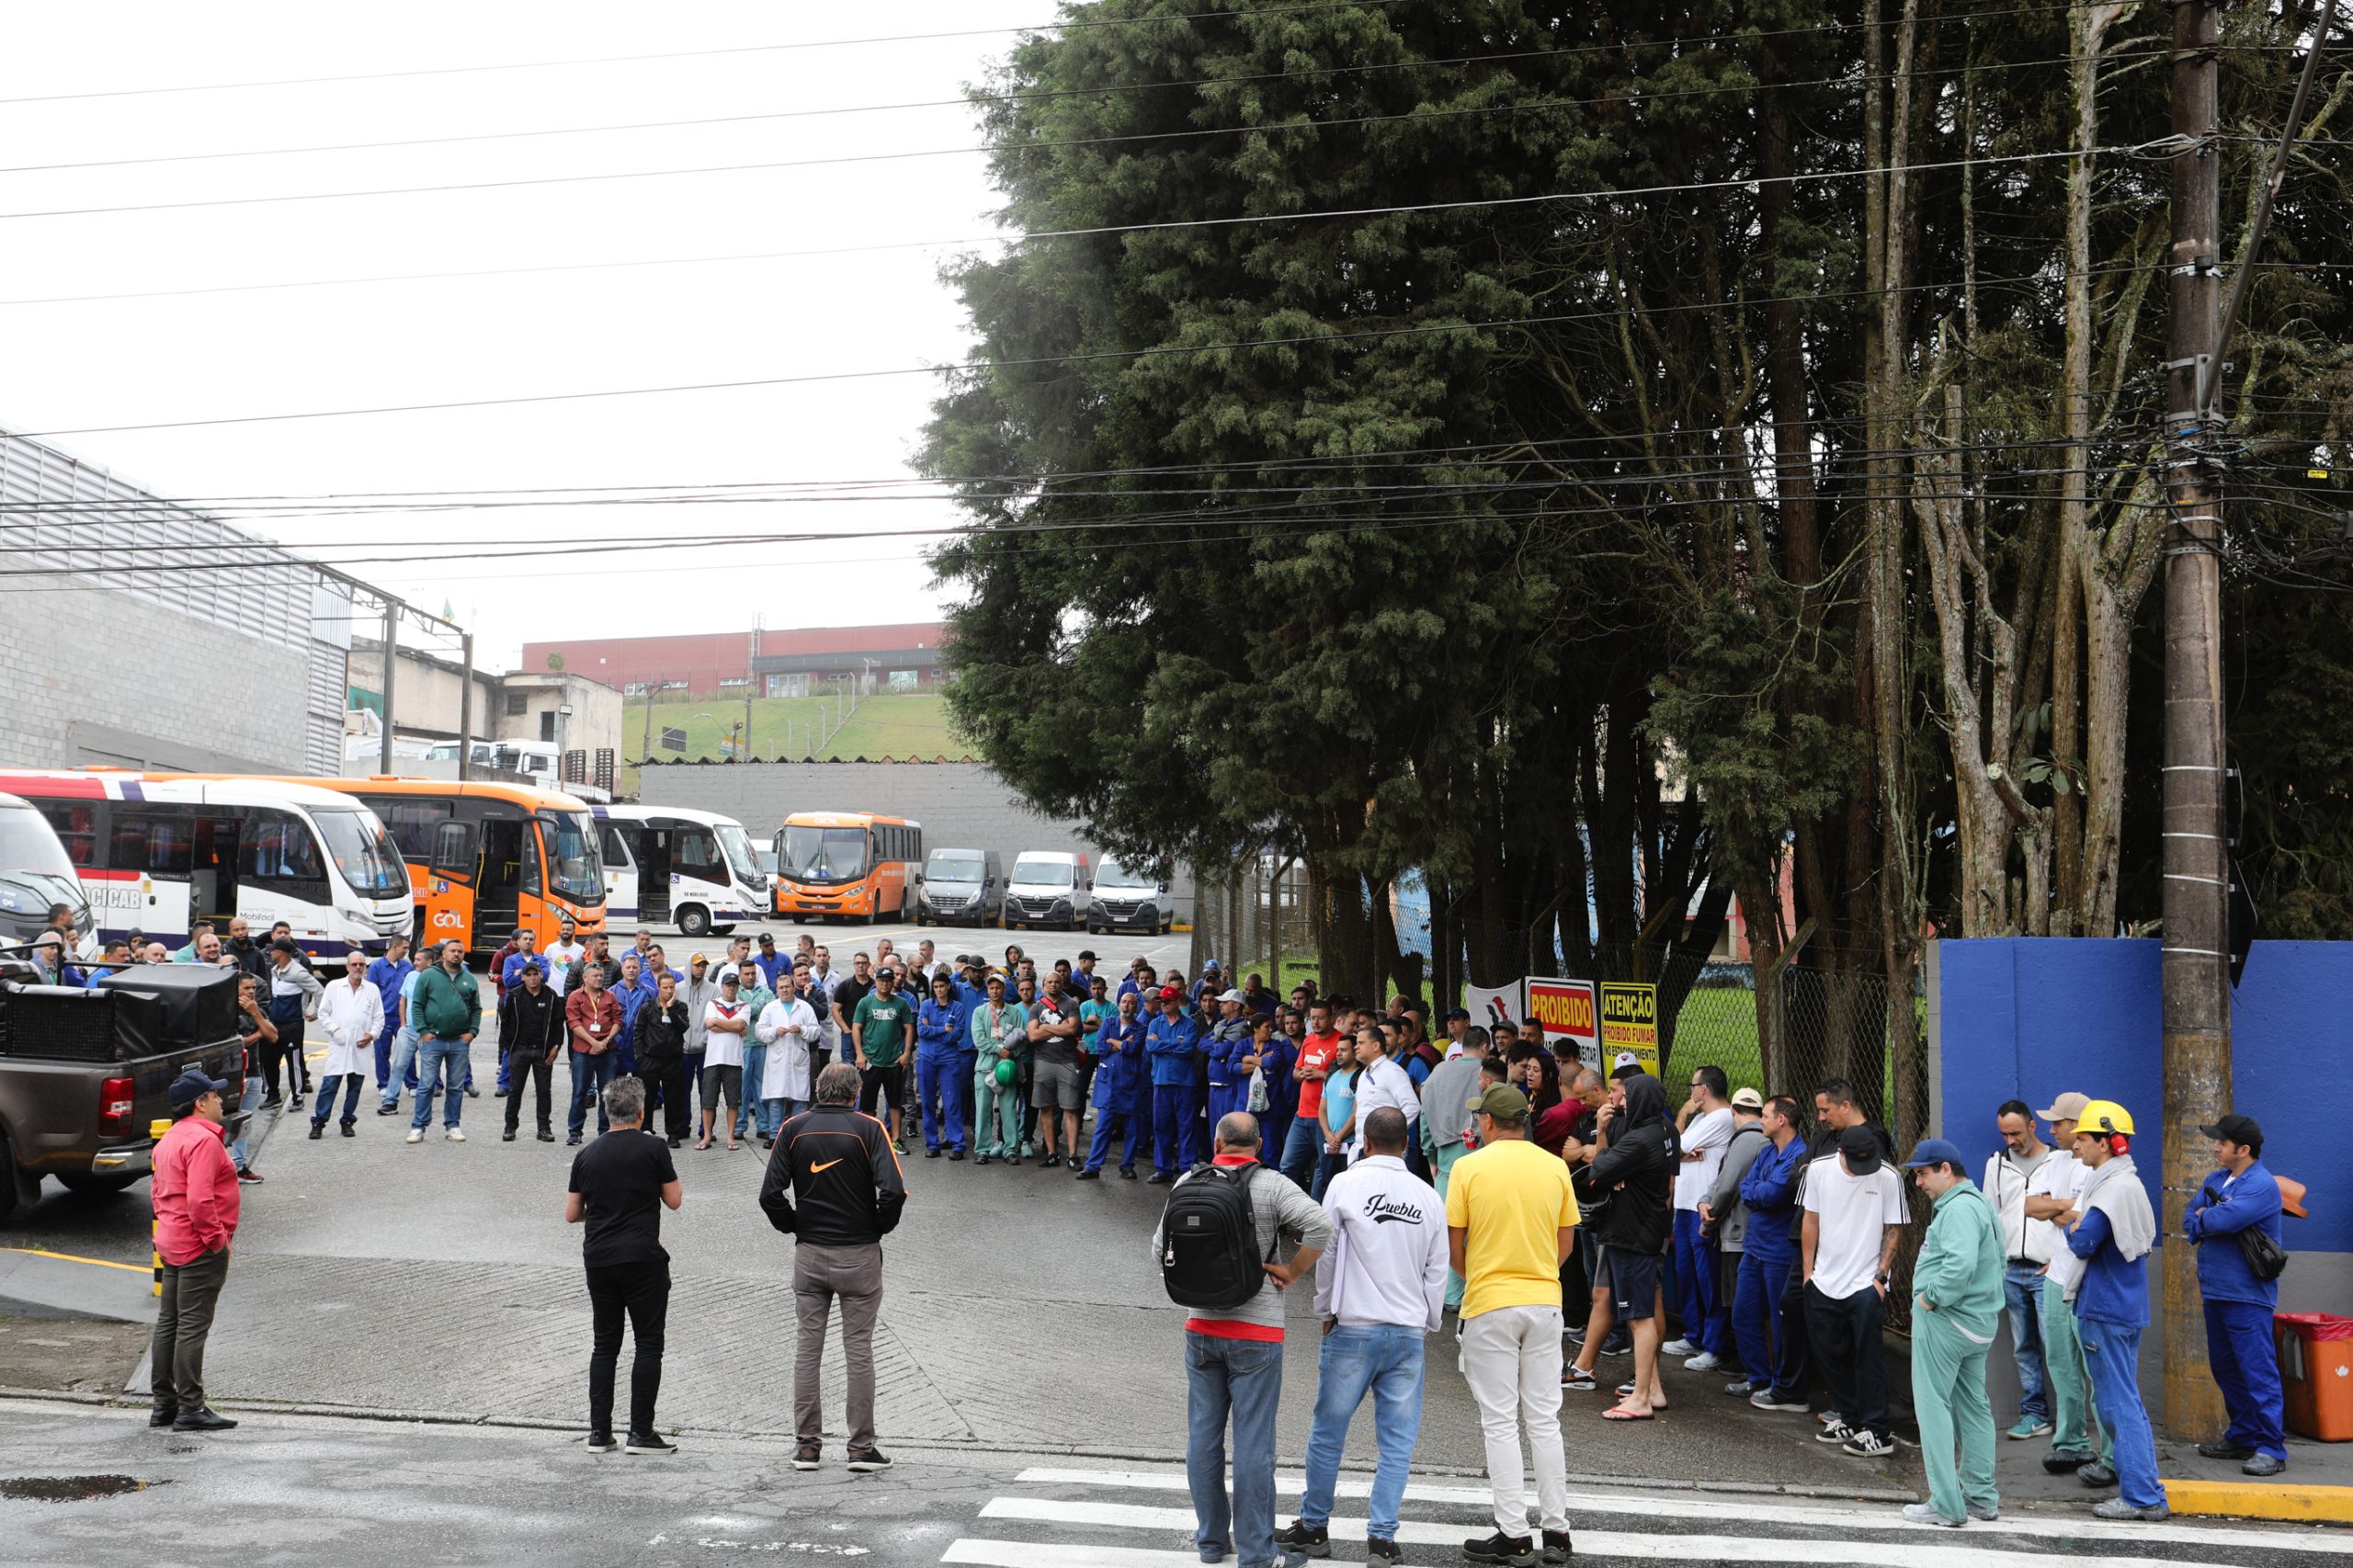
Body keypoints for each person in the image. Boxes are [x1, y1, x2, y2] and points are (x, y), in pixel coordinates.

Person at [1153, 1111, 1331, 1568]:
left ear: (1217, 1140)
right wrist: (1291, 1270)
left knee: (1203, 1439)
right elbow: (1320, 1225)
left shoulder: (1188, 1182)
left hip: (1200, 1329)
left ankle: (1212, 1543)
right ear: (1260, 1144)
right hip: (1257, 1332)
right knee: (1254, 1445)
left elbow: (1159, 1251)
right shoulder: (1272, 1185)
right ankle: (1256, 1553)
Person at [1278, 1107, 1446, 1567]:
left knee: (1328, 1434)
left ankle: (1314, 1527)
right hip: (1407, 1331)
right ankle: (1383, 1539)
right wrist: (1426, 1321)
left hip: (1353, 1326)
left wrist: (1325, 1308)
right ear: (1406, 1145)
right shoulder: (1428, 1196)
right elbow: (1438, 1269)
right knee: (1396, 1442)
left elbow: (1325, 1251)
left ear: (1365, 1142)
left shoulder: (1344, 1184)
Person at [1446, 1085, 1580, 1564]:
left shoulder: (1468, 1168)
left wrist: (1480, 1274)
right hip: (1545, 1299)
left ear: (1487, 1123)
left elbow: (1455, 1245)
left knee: (1499, 1421)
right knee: (1545, 1420)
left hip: (1490, 1301)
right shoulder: (1554, 1166)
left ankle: (1513, 1531)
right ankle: (1558, 1532)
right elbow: (1565, 1243)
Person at [759, 1061, 908, 1473]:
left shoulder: (793, 1128)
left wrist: (794, 1225)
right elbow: (893, 1191)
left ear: (818, 1089)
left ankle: (807, 1447)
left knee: (808, 1349)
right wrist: (877, 1226)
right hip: (858, 1252)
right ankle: (860, 1448)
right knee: (858, 1349)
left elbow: (770, 1194)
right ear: (855, 1093)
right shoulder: (868, 1128)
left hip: (809, 1252)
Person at [2056, 1098, 2168, 1520]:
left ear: (2105, 1143)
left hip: (2105, 1307)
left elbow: (2084, 1241)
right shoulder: (2125, 1183)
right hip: (2121, 1305)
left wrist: (2069, 1223)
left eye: (2082, 1138)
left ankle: (2142, 1496)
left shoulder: (2112, 1189)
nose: (2075, 1145)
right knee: (2123, 1402)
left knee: (2118, 1405)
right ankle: (2141, 1488)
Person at [566, 1074, 681, 1455]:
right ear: (641, 1111)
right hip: (642, 1257)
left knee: (605, 1345)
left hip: (599, 1257)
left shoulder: (587, 1153)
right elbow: (675, 1199)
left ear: (606, 1110)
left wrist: (602, 1211)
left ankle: (599, 1433)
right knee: (648, 1345)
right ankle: (641, 1432)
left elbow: (572, 1213)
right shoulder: (654, 1148)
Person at [1900, 1137, 2004, 1528]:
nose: (1919, 1183)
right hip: (1977, 1323)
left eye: (1924, 1174)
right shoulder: (1979, 1205)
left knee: (1933, 1409)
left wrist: (1930, 1298)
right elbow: (1999, 1260)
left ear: (1946, 1169)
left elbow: (1959, 1265)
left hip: (1946, 1321)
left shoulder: (1958, 1210)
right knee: (1974, 1408)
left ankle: (1946, 1503)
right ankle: (1979, 1497)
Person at [2184, 1113, 2289, 1477]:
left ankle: (2271, 1447)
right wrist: (2206, 1217)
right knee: (2225, 1367)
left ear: (2243, 1150)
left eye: (2221, 1143)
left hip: (2247, 1295)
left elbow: (2221, 1220)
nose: (2215, 1147)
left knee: (2257, 1371)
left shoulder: (2261, 1184)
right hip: (2216, 1290)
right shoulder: (2216, 1178)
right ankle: (2243, 1435)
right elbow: (2189, 1218)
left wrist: (2207, 1216)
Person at [2025, 1091, 2114, 1483]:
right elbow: (2030, 1207)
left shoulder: (2099, 1168)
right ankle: (2072, 1443)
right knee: (2061, 1364)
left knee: (2098, 1371)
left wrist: (2055, 1208)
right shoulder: (2056, 1160)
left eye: (2058, 1123)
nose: (2051, 1128)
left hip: (2088, 1282)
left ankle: (2112, 1454)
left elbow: (2084, 1222)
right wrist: (2066, 1207)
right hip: (2056, 1277)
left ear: (2079, 1126)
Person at [1803, 1123, 1907, 1458]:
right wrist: (1809, 1273)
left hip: (1865, 1283)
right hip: (1824, 1280)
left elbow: (1894, 1229)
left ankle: (1878, 1430)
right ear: (1840, 1153)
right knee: (1830, 1354)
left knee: (1869, 1358)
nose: (1865, 1169)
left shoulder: (1888, 1176)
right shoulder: (1819, 1170)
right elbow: (1811, 1219)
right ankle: (1849, 1416)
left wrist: (1880, 1278)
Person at [149, 1067, 242, 1433]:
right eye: (215, 1095)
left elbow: (158, 1194)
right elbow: (201, 1200)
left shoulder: (170, 1138)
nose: (220, 1099)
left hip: (171, 1241)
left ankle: (163, 1405)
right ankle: (191, 1407)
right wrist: (217, 1239)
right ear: (200, 1103)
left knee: (168, 1321)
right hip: (198, 1245)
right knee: (191, 1325)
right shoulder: (204, 1141)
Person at [1576, 1073, 1671, 1417]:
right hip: (1648, 1228)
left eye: (1625, 1095)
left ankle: (1641, 1398)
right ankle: (1654, 1390)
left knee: (1639, 1317)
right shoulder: (1665, 1131)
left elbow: (1595, 1171)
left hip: (1631, 1234)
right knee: (1640, 1311)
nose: (1617, 1101)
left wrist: (1601, 1136)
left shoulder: (1638, 1141)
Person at [1731, 1095, 1811, 1409]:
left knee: (1782, 1323)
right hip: (1755, 1247)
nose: (1760, 1121)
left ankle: (1782, 1386)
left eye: (1765, 1116)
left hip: (1780, 1251)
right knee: (1743, 1314)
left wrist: (1757, 1193)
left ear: (1782, 1120)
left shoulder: (1799, 1155)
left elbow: (1776, 1193)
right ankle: (1758, 1376)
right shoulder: (1766, 1152)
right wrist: (1757, 1193)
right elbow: (1747, 1189)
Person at [1984, 1098, 2055, 1440]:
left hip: (2047, 1270)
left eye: (2015, 1132)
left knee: (2054, 1343)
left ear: (2032, 1127)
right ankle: (2035, 1414)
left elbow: (2076, 1213)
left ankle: (2071, 1421)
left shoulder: (2061, 1161)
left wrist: (2059, 1259)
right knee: (2022, 1345)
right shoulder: (1996, 1165)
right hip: (2010, 1270)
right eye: (2004, 1134)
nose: (2010, 1140)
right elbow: (1990, 1217)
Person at [1695, 1085, 1768, 1379]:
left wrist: (1707, 1219)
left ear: (1733, 1111)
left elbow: (1727, 1184)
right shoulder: (1758, 1137)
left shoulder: (1747, 1140)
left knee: (1738, 1300)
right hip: (1744, 1230)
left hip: (1737, 1232)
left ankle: (1744, 1360)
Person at [1666, 1064, 1735, 1369]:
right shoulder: (1700, 1118)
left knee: (1707, 1275)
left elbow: (1674, 1146)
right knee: (1686, 1272)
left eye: (1692, 1086)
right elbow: (1671, 1148)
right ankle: (1693, 1334)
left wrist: (1679, 1148)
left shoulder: (1721, 1118)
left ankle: (1713, 1344)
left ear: (1703, 1090)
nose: (1690, 1092)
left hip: (1701, 1205)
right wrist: (1679, 1150)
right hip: (1683, 1204)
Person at [1418, 1031, 1487, 1312]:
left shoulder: (1438, 1072)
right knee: (1476, 1227)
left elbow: (1425, 1116)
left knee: (1446, 1227)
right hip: (1478, 1154)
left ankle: (1446, 1292)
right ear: (1484, 1047)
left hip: (1444, 1157)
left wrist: (1430, 1155)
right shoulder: (1488, 1073)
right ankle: (1466, 1290)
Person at [403, 940, 481, 1145]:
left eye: (460, 951)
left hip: (459, 1042)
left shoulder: (470, 978)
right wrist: (423, 1031)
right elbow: (417, 1004)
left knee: (455, 1086)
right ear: (443, 954)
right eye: (452, 951)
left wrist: (472, 1032)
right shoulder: (428, 975)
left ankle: (453, 1125)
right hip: (433, 1040)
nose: (456, 954)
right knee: (426, 1085)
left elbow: (476, 1008)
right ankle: (418, 1127)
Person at [309, 950, 384, 1139]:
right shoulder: (334, 986)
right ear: (347, 966)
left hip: (361, 1045)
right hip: (339, 1044)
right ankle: (319, 1122)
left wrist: (371, 1035)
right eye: (354, 964)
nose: (358, 968)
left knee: (355, 1086)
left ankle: (347, 1121)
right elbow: (323, 1013)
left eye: (361, 964)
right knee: (330, 1084)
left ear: (365, 967)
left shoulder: (372, 989)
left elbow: (379, 1018)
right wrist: (335, 1031)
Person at [1080, 988, 1148, 1179]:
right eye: (1124, 1002)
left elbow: (1132, 1049)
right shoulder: (1109, 1023)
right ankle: (1093, 1166)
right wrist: (1119, 1042)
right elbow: (1101, 1046)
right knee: (1103, 1127)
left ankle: (1127, 1166)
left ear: (1136, 1007)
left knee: (1132, 1129)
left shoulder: (1141, 1028)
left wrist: (1114, 1043)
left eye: (1132, 1002)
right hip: (1107, 1083)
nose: (1127, 1005)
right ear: (1119, 1005)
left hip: (1130, 1084)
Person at [849, 965, 915, 1147]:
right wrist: (860, 1054)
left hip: (894, 1061)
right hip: (871, 1061)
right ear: (876, 981)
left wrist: (906, 1053)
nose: (885, 984)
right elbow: (856, 1027)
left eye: (888, 981)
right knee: (868, 1104)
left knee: (895, 1103)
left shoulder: (900, 1003)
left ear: (893, 982)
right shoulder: (866, 1002)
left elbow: (909, 1027)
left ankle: (896, 1139)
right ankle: (869, 1139)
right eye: (881, 980)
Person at [1280, 1002, 1343, 1189]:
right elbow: (1295, 1072)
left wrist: (1320, 1075)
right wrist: (1301, 1074)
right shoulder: (1309, 1040)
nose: (1315, 1022)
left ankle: (1318, 1211)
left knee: (1324, 1169)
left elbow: (1348, 1078)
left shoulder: (1341, 1042)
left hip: (1324, 1117)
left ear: (1331, 1018)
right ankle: (1289, 1208)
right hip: (1302, 1114)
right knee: (1287, 1166)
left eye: (1320, 1018)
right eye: (1312, 1018)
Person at [1025, 973, 1086, 1166]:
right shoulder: (1036, 1007)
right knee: (1046, 1107)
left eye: (1057, 982)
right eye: (1049, 982)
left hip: (1067, 1061)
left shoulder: (1072, 1005)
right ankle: (1052, 1153)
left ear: (1062, 984)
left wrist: (1045, 1027)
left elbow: (1071, 1030)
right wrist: (1059, 1026)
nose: (1053, 985)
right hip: (1043, 1062)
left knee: (1071, 1109)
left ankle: (1073, 1155)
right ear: (1043, 986)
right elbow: (1033, 1036)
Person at [500, 959, 563, 1143]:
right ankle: (510, 1127)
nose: (533, 978)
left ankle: (544, 1128)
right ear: (523, 977)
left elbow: (559, 1024)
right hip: (519, 1050)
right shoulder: (514, 995)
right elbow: (506, 1022)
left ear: (541, 975)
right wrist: (509, 1046)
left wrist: (556, 1047)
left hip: (543, 1052)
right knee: (515, 1090)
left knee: (544, 1091)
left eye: (536, 974)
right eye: (529, 975)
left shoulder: (551, 996)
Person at [755, 971, 824, 1140]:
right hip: (777, 1059)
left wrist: (802, 1030)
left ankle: (797, 1136)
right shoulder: (771, 1008)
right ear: (776, 990)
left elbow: (816, 1031)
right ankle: (774, 1135)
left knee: (799, 1100)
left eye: (787, 987)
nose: (784, 990)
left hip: (798, 1059)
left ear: (794, 988)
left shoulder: (804, 1007)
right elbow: (759, 1031)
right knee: (776, 1099)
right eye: (781, 988)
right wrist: (774, 1032)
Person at [1146, 984, 1202, 1184]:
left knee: (1186, 1126)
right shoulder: (1155, 1023)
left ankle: (1187, 1168)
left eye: (1167, 1001)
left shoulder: (1189, 1024)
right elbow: (1150, 1046)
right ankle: (1163, 1168)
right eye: (1161, 1001)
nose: (1163, 1004)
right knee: (1161, 1126)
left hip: (1184, 1083)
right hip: (1161, 1081)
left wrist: (1163, 1043)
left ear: (1178, 1002)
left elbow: (1188, 1049)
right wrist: (1174, 1043)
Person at [565, 960, 624, 1148]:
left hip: (606, 1051)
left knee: (607, 1094)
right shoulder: (576, 997)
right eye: (595, 976)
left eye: (601, 976)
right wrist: (593, 1043)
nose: (599, 979)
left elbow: (617, 1020)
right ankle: (575, 1132)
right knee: (579, 1092)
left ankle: (604, 1131)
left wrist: (605, 1042)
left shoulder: (610, 996)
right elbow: (574, 1023)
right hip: (584, 1051)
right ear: (585, 978)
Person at [970, 971, 1027, 1165]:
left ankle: (1010, 1149)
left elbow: (1021, 1039)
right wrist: (998, 1049)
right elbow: (979, 1040)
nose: (995, 991)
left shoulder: (1015, 1012)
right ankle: (982, 1149)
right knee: (983, 1110)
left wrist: (1011, 1053)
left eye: (998, 987)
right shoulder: (980, 1012)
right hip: (985, 1069)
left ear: (1004, 989)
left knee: (1009, 1110)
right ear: (988, 990)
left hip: (1007, 1069)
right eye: (991, 987)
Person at [914, 971, 970, 1158]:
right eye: (936, 987)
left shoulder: (958, 1007)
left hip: (948, 1059)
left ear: (948, 987)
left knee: (952, 1102)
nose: (939, 990)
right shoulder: (927, 1005)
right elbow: (921, 1031)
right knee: (928, 1102)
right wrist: (942, 1029)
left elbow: (957, 1034)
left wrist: (934, 1030)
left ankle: (957, 1144)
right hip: (927, 1058)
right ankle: (932, 1144)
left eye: (942, 986)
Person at [263, 937, 321, 1108]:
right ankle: (273, 1096)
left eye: (272, 950)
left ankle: (298, 1097)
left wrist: (314, 1013)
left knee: (293, 1062)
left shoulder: (298, 972)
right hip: (274, 1024)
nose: (270, 953)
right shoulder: (274, 970)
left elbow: (319, 991)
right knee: (268, 1059)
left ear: (280, 952)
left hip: (292, 1025)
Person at [699, 970, 753, 1151]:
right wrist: (735, 1028)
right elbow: (709, 1026)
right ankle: (706, 1136)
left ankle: (730, 1137)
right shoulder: (713, 1004)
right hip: (712, 1060)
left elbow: (739, 1024)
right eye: (728, 985)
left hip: (734, 1061)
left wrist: (720, 1023)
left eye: (734, 985)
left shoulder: (744, 1006)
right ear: (722, 987)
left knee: (733, 1102)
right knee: (708, 1101)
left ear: (738, 988)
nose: (731, 988)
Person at [377, 947, 433, 1117]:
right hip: (409, 1030)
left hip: (428, 1032)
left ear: (429, 962)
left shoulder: (436, 978)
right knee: (398, 1065)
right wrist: (403, 1024)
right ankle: (390, 1102)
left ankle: (424, 1105)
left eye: (418, 960)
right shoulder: (410, 975)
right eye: (414, 959)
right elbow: (403, 1000)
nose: (414, 962)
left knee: (428, 1069)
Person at [366, 935, 410, 1099]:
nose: (407, 951)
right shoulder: (376, 967)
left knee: (407, 1051)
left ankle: (412, 1083)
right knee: (382, 1052)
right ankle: (383, 1084)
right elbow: (371, 993)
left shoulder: (407, 967)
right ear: (394, 947)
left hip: (402, 1017)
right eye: (404, 947)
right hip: (382, 1017)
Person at [544, 915, 585, 997]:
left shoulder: (580, 950)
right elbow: (545, 968)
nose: (565, 931)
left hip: (572, 993)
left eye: (568, 930)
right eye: (563, 929)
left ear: (574, 932)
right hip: (553, 992)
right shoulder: (550, 948)